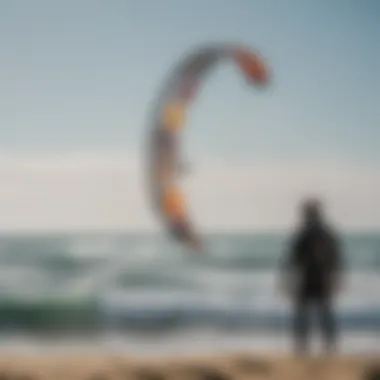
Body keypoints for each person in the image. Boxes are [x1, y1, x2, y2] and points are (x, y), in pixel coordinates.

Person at [280, 198, 344, 355]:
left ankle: (304, 346)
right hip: (320, 278)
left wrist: (287, 280)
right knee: (322, 313)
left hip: (309, 278)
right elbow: (336, 259)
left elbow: (292, 260)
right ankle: (328, 345)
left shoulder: (304, 234)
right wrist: (335, 278)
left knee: (306, 314)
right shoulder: (326, 233)